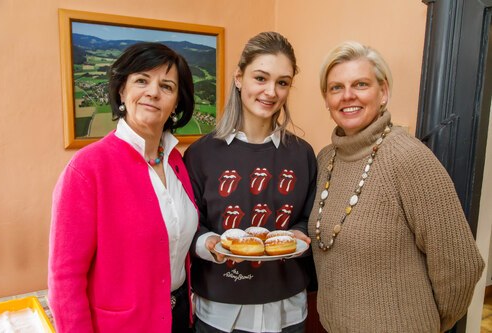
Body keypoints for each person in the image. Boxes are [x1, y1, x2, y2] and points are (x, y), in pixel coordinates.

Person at [309, 40, 485, 333]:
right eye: (336, 87)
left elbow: (462, 265)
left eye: (361, 84)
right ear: (326, 99)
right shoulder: (326, 158)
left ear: (383, 92)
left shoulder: (409, 158)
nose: (347, 95)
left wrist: (425, 323)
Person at [48, 42, 198, 332]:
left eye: (166, 86)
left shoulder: (177, 161)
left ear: (177, 102)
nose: (153, 92)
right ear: (122, 90)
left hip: (180, 318)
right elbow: (65, 278)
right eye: (142, 80)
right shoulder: (87, 169)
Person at [183, 31, 317, 333]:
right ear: (239, 77)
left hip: (288, 310)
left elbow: (309, 219)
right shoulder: (200, 155)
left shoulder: (303, 154)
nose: (271, 91)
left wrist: (298, 235)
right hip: (220, 310)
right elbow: (189, 226)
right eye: (261, 78)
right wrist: (209, 243)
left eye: (282, 82)